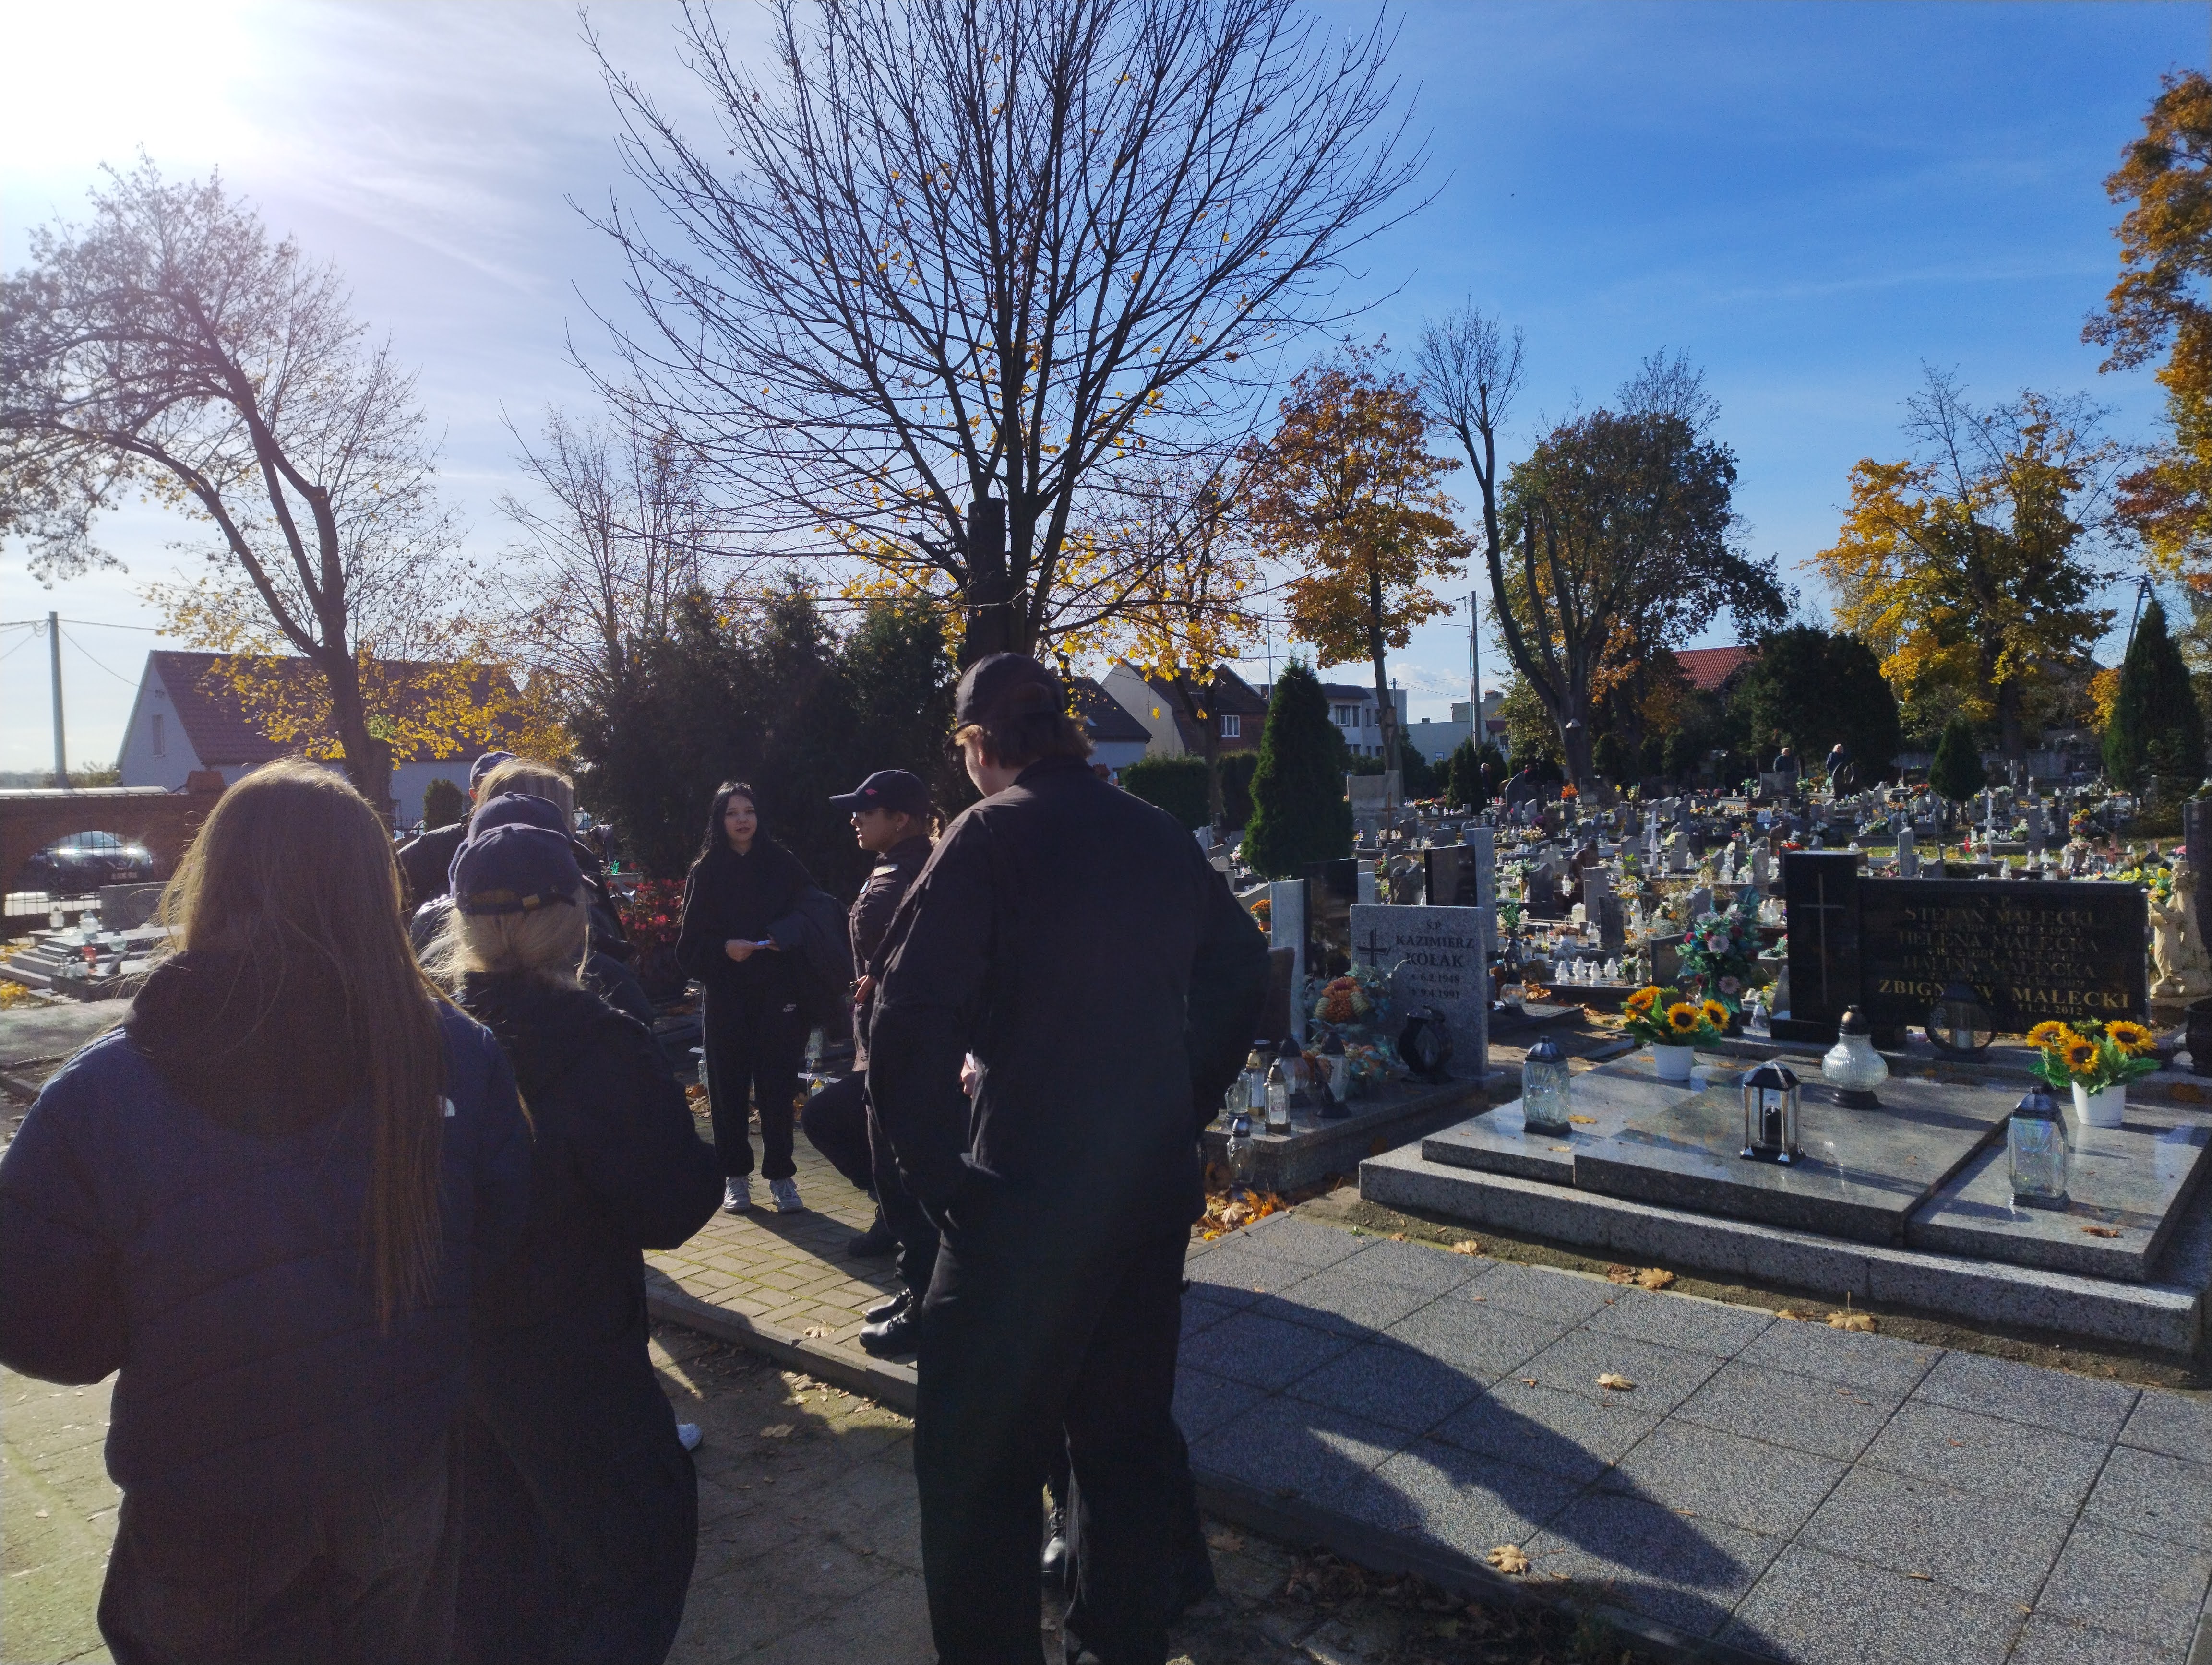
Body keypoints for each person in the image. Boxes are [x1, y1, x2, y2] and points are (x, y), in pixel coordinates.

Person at [0, 757, 532, 1665]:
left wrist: (162, 1320)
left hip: (207, 1493)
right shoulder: (458, 1053)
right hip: (395, 1464)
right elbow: (499, 1245)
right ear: (375, 888)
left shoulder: (106, 1090)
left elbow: (35, 1318)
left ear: (217, 878)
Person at [867, 653, 1269, 1665]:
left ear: (978, 744)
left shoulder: (987, 834)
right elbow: (1241, 966)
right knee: (1122, 1447)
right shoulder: (1152, 829)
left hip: (1022, 1195)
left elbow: (904, 1024)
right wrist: (1181, 1101)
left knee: (976, 1461)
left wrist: (942, 1186)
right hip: (1141, 1191)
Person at [428, 811, 724, 1665]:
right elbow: (670, 1206)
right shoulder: (600, 1043)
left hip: (447, 1356)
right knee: (635, 1557)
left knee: (491, 1576)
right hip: (573, 1358)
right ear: (573, 919)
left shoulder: (418, 1036)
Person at [799, 771, 933, 1259]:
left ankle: (912, 1229)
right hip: (878, 1039)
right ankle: (894, 1214)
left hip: (905, 1041)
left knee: (828, 1118)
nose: (854, 819)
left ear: (901, 819)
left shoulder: (914, 873)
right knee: (862, 1130)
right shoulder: (891, 866)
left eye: (867, 811)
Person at [675, 782, 816, 1215]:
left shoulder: (782, 863)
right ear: (719, 821)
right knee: (728, 1088)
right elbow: (688, 949)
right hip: (727, 996)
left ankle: (782, 1176)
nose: (742, 820)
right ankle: (734, 1176)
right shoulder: (706, 871)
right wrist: (724, 948)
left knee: (778, 1086)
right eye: (732, 813)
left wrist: (783, 936)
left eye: (749, 811)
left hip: (777, 993)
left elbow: (815, 913)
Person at [397, 749, 514, 906]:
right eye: (494, 787)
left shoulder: (546, 845)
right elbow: (398, 906)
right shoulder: (431, 851)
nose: (507, 794)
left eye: (516, 784)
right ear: (475, 795)